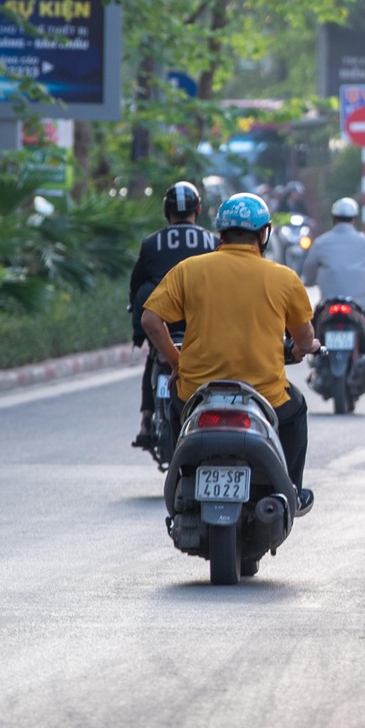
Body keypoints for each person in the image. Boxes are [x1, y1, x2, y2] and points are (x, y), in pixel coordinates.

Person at [140, 193, 319, 514]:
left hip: (197, 390)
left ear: (220, 233)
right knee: (296, 410)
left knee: (175, 412)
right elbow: (304, 338)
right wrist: (306, 348)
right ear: (264, 234)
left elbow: (151, 320)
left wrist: (175, 360)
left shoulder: (189, 270)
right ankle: (291, 489)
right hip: (265, 395)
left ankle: (183, 476)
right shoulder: (284, 278)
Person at [128, 181, 219, 448]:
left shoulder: (150, 243)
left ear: (166, 211)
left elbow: (137, 287)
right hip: (196, 319)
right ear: (198, 209)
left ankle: (146, 419)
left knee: (152, 360)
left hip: (159, 319)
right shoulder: (213, 241)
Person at [300, 197, 365, 364]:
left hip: (327, 306)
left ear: (333, 218)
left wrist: (310, 281)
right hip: (359, 306)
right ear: (354, 219)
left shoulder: (321, 243)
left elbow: (308, 272)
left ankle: (313, 360)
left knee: (309, 328)